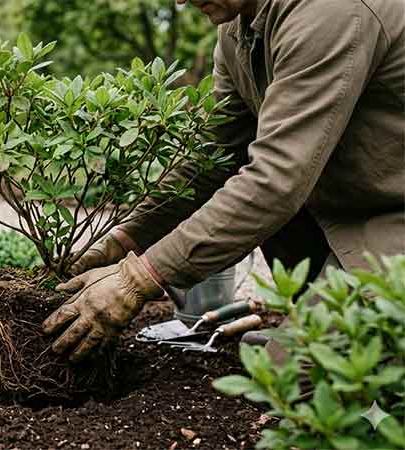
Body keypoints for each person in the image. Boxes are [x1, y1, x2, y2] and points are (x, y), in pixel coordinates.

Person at [43, 0, 405, 363]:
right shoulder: (238, 29)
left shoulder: (330, 12)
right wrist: (124, 240)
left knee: (299, 386)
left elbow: (275, 182)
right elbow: (217, 154)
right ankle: (318, 329)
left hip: (391, 217)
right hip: (351, 212)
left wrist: (139, 278)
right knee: (280, 357)